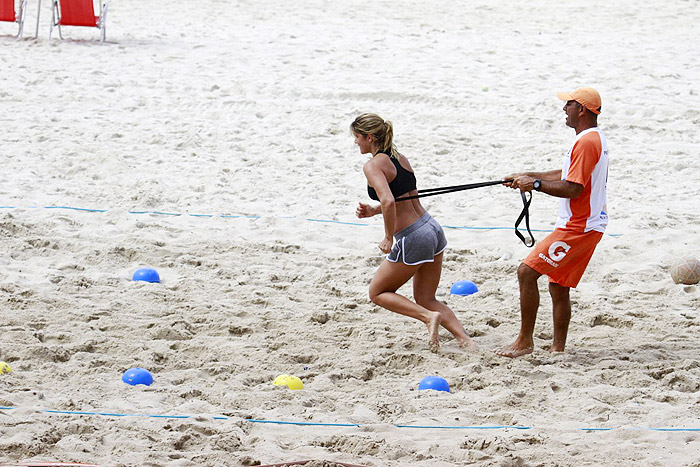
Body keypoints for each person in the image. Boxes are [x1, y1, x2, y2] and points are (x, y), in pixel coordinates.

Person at [496, 87, 609, 358]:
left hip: (579, 227)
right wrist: (526, 175)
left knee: (526, 272)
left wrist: (534, 184)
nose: (564, 109)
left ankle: (525, 341)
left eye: (568, 104)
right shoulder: (592, 138)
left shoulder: (586, 141)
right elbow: (567, 172)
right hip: (584, 224)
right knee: (558, 285)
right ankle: (558, 348)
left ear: (582, 109)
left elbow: (573, 188)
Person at [351, 113, 476, 352]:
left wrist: (388, 237)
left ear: (368, 137)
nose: (356, 142)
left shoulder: (372, 166)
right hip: (432, 229)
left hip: (413, 236)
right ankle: (466, 340)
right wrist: (373, 211)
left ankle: (429, 318)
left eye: (357, 137)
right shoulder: (400, 158)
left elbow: (389, 200)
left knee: (378, 292)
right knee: (426, 297)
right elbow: (404, 198)